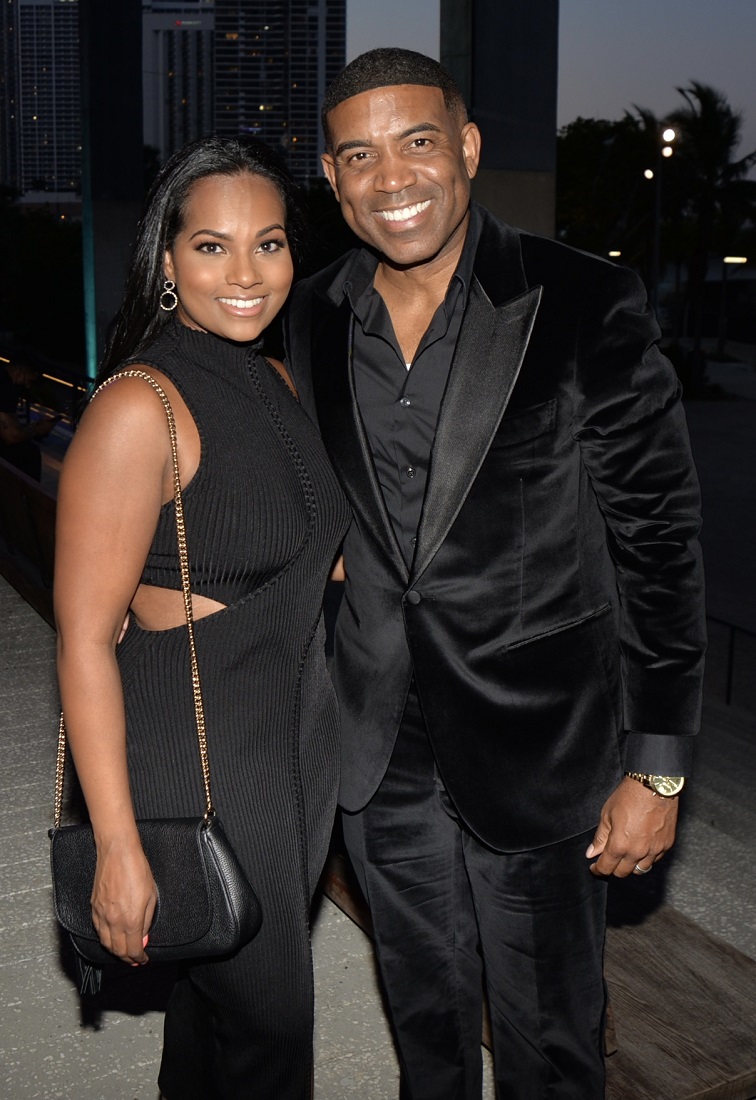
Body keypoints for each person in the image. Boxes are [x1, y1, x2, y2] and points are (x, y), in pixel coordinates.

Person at [283, 48, 706, 1099]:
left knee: (549, 1034)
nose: (393, 177)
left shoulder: (583, 299)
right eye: (360, 156)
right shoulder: (312, 313)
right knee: (424, 1021)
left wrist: (658, 766)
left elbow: (659, 538)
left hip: (541, 740)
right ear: (332, 182)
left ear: (466, 148)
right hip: (378, 741)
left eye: (418, 141)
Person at [54, 135, 349, 1099]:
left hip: (289, 745)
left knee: (215, 1021)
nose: (246, 272)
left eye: (268, 243)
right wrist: (117, 846)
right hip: (198, 757)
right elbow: (87, 640)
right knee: (271, 1036)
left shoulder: (279, 382)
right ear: (168, 260)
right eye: (212, 247)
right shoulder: (140, 403)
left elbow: (310, 548)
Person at [0, 357, 59, 480]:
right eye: (29, 381)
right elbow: (12, 436)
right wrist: (38, 430)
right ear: (21, 371)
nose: (27, 386)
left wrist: (34, 427)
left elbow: (12, 426)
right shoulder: (5, 386)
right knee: (30, 454)